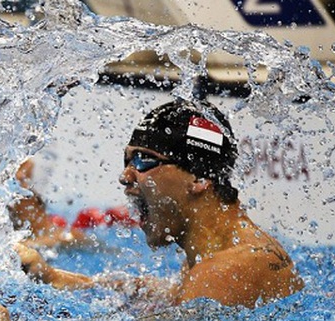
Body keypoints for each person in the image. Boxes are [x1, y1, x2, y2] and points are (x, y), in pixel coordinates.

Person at [17, 99, 304, 309]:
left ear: (200, 178)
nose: (125, 176)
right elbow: (168, 296)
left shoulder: (222, 272)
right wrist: (55, 277)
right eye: (127, 160)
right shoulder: (214, 256)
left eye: (144, 160)